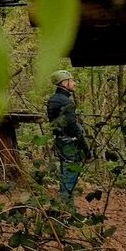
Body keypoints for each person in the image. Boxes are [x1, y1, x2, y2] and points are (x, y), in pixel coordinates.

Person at [46, 68, 90, 205]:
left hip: (60, 141)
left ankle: (63, 208)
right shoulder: (66, 102)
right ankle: (67, 210)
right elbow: (72, 127)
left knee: (65, 174)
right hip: (69, 143)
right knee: (70, 176)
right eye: (72, 81)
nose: (75, 83)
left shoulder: (53, 100)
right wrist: (85, 148)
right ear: (64, 83)